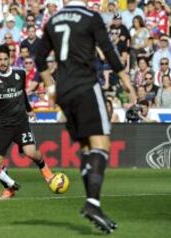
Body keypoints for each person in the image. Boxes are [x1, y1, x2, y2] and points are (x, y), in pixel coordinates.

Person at [35, 0, 136, 234]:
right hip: (86, 87)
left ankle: (93, 205)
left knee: (86, 148)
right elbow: (109, 51)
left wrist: (51, 87)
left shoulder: (53, 20)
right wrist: (126, 82)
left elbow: (39, 57)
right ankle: (93, 203)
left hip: (64, 92)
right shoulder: (91, 18)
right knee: (101, 144)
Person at [0, 44, 55, 200]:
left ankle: (46, 171)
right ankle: (9, 189)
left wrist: (29, 109)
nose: (3, 62)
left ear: (10, 59)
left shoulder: (20, 73)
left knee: (31, 152)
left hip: (20, 122)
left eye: (5, 59)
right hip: (2, 125)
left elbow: (22, 93)